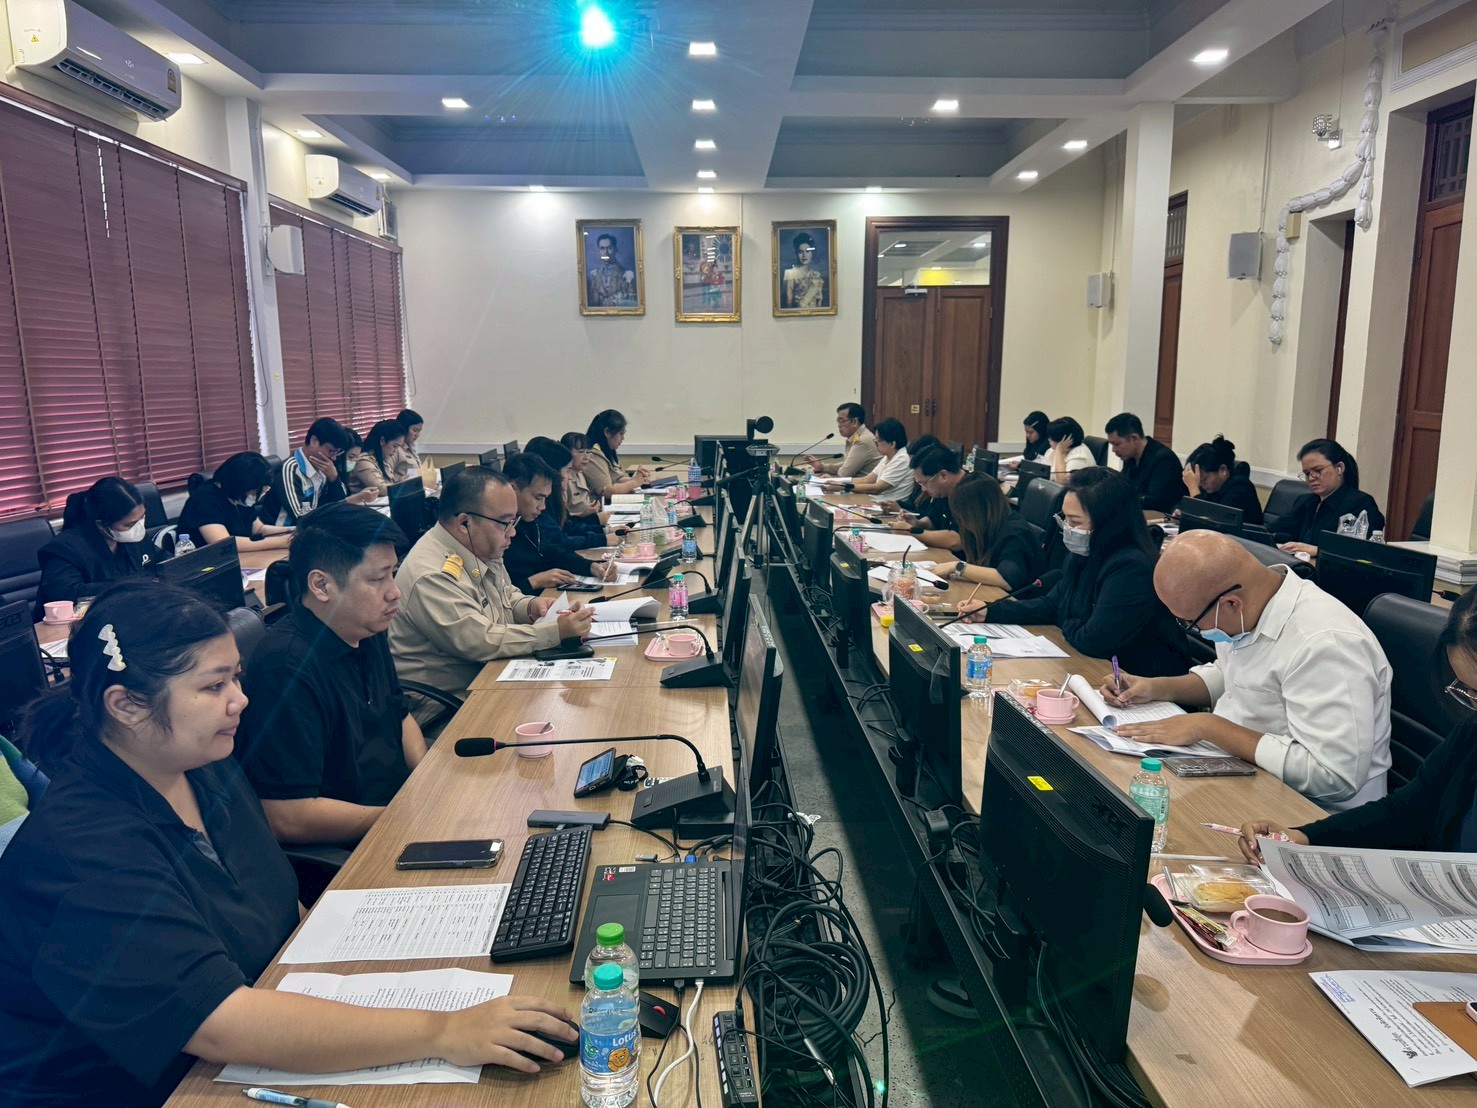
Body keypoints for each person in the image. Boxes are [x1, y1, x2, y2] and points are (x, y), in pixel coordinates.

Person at [0, 580, 578, 1107]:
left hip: (247, 1025)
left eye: (236, 677)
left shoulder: (200, 762)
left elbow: (277, 904)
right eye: (213, 686)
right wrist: (445, 1030)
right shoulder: (81, 851)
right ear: (126, 705)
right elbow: (219, 1023)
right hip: (146, 1087)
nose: (240, 700)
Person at [1104, 529, 1392, 811]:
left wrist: (1208, 727)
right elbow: (1232, 675)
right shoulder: (1247, 609)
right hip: (1242, 772)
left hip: (1310, 810)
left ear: (1232, 603)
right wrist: (1156, 688)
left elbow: (1333, 777)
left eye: (1189, 622)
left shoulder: (1325, 644)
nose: (1192, 629)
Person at [237, 503, 425, 847]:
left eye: (393, 573)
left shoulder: (366, 626)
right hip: (352, 847)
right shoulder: (285, 670)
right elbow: (287, 816)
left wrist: (430, 785)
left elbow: (400, 716)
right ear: (321, 585)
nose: (394, 591)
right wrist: (403, 816)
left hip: (395, 813)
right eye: (377, 578)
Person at [1237, 588, 1477, 857]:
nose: (1473, 705)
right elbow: (1410, 809)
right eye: (1469, 691)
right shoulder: (1470, 731)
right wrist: (1304, 837)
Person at [390, 467, 596, 702]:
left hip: (489, 678)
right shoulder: (432, 574)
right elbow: (479, 641)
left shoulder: (478, 546)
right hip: (450, 703)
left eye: (514, 521)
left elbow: (506, 595)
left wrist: (530, 607)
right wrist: (555, 631)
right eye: (505, 523)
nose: (513, 532)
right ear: (465, 523)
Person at [961, 468, 1189, 676]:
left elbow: (1094, 641)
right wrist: (990, 611)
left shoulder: (1132, 567)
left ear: (1108, 522)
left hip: (1139, 679)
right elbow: (1052, 605)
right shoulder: (1085, 553)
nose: (1067, 528)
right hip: (1097, 669)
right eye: (1065, 518)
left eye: (1076, 521)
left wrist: (1066, 620)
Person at [34, 478, 154, 619]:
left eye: (142, 518)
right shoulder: (65, 549)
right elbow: (65, 594)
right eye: (129, 524)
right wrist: (126, 586)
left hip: (129, 614)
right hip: (78, 623)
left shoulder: (132, 538)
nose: (139, 526)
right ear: (101, 524)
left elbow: (159, 561)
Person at [502, 453, 613, 595]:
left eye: (545, 499)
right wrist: (534, 582)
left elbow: (552, 551)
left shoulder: (525, 521)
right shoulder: (497, 532)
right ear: (512, 489)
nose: (543, 507)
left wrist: (591, 567)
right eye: (538, 498)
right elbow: (495, 595)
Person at [925, 475, 1042, 591]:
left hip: (1014, 599)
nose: (960, 520)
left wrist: (957, 567)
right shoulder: (987, 525)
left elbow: (1007, 579)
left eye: (963, 513)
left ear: (977, 509)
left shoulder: (1015, 532)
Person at [1277, 438, 1385, 555]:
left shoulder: (1361, 504)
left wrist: (1318, 551)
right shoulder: (1305, 501)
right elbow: (1273, 530)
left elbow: (1365, 551)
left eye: (1318, 470)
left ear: (1339, 468)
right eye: (1307, 473)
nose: (1311, 478)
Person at [177, 453, 296, 552]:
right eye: (256, 491)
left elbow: (258, 529)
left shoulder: (239, 498)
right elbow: (225, 544)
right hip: (209, 565)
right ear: (241, 485)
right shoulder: (204, 500)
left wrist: (293, 531)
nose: (258, 496)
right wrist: (282, 542)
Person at [526, 436, 607, 549]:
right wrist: (603, 539)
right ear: (553, 472)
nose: (570, 477)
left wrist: (605, 531)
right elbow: (559, 540)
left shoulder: (551, 500)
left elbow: (567, 526)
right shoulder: (538, 507)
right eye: (568, 471)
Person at [271, 417, 355, 524]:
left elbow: (339, 504)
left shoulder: (324, 467)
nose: (333, 458)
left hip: (312, 527)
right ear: (314, 441)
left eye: (337, 453)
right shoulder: (290, 469)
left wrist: (334, 478)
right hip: (285, 530)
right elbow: (300, 516)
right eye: (331, 451)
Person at [1104, 412, 1188, 513]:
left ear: (1134, 438)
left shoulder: (1164, 460)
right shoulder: (1130, 458)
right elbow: (1122, 487)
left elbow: (1154, 501)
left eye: (1117, 444)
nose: (1113, 450)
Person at [892, 445, 967, 550]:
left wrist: (911, 532)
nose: (923, 489)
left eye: (924, 483)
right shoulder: (943, 490)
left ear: (943, 476)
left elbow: (956, 541)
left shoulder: (972, 492)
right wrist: (917, 523)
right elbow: (934, 521)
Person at [1183, 435, 1263, 523]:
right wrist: (1180, 511)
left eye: (1203, 479)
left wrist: (1193, 488)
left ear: (1223, 470)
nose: (1201, 484)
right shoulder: (1210, 487)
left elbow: (1212, 522)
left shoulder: (1241, 488)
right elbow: (1183, 504)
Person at [831, 418, 913, 499]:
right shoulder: (887, 457)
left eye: (878, 440)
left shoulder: (901, 460)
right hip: (877, 501)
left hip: (890, 505)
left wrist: (843, 486)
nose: (875, 442)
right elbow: (866, 480)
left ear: (892, 444)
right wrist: (834, 482)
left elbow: (877, 488)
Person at [583, 409, 652, 497]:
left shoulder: (607, 451)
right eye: (621, 433)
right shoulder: (592, 454)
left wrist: (639, 479)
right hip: (598, 504)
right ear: (607, 432)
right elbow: (607, 492)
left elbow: (616, 479)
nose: (623, 438)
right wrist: (634, 482)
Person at [807, 403, 881, 477]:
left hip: (866, 484)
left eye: (842, 421)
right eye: (838, 421)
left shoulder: (862, 440)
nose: (839, 425)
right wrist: (821, 467)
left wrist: (828, 477)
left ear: (854, 422)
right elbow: (847, 465)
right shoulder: (857, 436)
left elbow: (844, 474)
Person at [559, 431, 609, 524]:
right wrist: (583, 514)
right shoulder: (563, 479)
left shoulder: (579, 472)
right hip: (576, 526)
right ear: (567, 452)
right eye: (581, 452)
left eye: (589, 452)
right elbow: (561, 518)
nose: (586, 457)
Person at [348, 419, 406, 498]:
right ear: (382, 440)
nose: (395, 451)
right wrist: (401, 485)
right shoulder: (363, 462)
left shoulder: (382, 459)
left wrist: (398, 483)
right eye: (394, 446)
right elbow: (382, 489)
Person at [587, 233, 638, 308]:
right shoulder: (594, 275)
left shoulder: (628, 275)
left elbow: (633, 304)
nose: (606, 252)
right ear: (598, 252)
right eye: (602, 248)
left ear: (615, 250)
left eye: (609, 248)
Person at [781, 231, 827, 310]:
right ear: (797, 254)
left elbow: (820, 301)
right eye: (800, 252)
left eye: (807, 251)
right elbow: (788, 302)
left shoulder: (816, 274)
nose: (804, 255)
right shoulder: (791, 274)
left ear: (812, 253)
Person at [1045, 417, 1095, 483]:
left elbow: (1062, 482)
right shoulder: (1052, 450)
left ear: (1065, 439)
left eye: (1052, 438)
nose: (1049, 439)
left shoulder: (1079, 456)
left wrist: (1059, 453)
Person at [393, 408, 425, 481]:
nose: (417, 435)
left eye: (419, 431)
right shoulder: (395, 449)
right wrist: (398, 482)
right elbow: (388, 478)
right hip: (403, 486)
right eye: (415, 430)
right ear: (404, 428)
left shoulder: (411, 446)